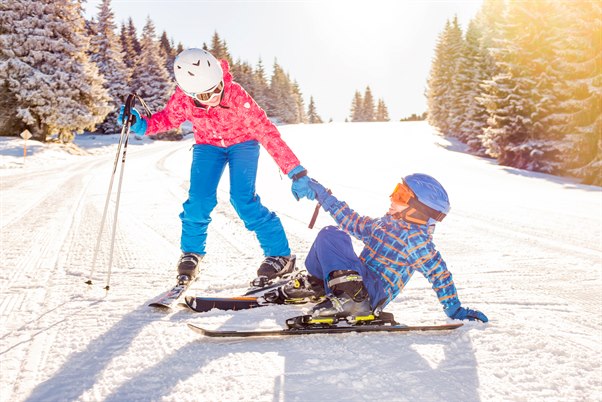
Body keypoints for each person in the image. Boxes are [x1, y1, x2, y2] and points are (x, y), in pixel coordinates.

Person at [118, 48, 315, 283]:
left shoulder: (236, 95)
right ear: (190, 94)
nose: (213, 97)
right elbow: (168, 118)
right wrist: (141, 125)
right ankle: (191, 253)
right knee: (199, 199)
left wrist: (295, 171)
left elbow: (265, 130)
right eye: (204, 96)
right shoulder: (183, 99)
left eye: (217, 89)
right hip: (208, 146)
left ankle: (280, 256)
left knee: (242, 199)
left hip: (243, 144)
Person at [265, 173, 488, 323]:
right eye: (395, 191)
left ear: (417, 209)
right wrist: (322, 194)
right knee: (331, 234)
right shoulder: (384, 224)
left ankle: (354, 302)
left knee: (332, 235)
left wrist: (455, 310)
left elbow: (440, 275)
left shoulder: (418, 242)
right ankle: (320, 285)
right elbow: (349, 219)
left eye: (400, 195)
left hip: (371, 292)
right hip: (358, 278)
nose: (392, 197)